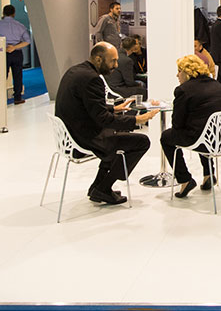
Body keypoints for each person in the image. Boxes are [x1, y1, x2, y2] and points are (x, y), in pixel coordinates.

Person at [54, 43, 159, 206]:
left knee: (119, 139)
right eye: (113, 61)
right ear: (98, 59)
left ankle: (98, 187)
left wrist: (114, 108)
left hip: (70, 135)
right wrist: (137, 120)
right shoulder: (92, 79)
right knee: (141, 142)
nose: (116, 66)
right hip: (83, 139)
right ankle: (103, 187)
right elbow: (103, 119)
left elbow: (87, 106)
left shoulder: (75, 71)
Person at [161, 54, 221, 199]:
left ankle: (184, 179)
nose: (177, 75)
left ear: (187, 72)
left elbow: (177, 124)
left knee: (166, 137)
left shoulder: (183, 90)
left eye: (179, 71)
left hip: (204, 139)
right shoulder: (217, 85)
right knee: (204, 129)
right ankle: (209, 174)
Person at [0, 4, 31, 105]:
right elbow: (27, 41)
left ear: (3, 13)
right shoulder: (20, 26)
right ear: (14, 13)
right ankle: (17, 98)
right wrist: (14, 47)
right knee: (17, 75)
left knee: (1, 75)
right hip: (16, 52)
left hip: (3, 52)